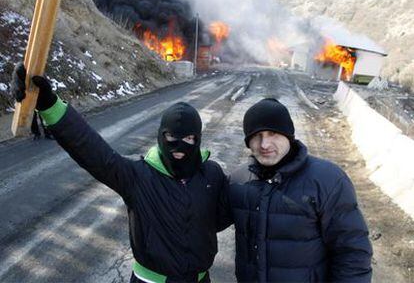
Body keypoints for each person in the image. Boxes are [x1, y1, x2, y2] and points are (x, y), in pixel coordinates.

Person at [12, 63, 230, 283]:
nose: (180, 147)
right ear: (160, 136)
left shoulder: (211, 174)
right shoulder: (138, 176)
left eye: (189, 139)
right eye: (172, 138)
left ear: (198, 139)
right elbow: (91, 149)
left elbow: (224, 214)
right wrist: (49, 105)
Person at [228, 98, 372, 282]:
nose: (264, 144)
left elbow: (352, 252)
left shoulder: (327, 180)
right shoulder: (238, 180)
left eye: (273, 133)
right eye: (256, 136)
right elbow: (202, 220)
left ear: (288, 136)